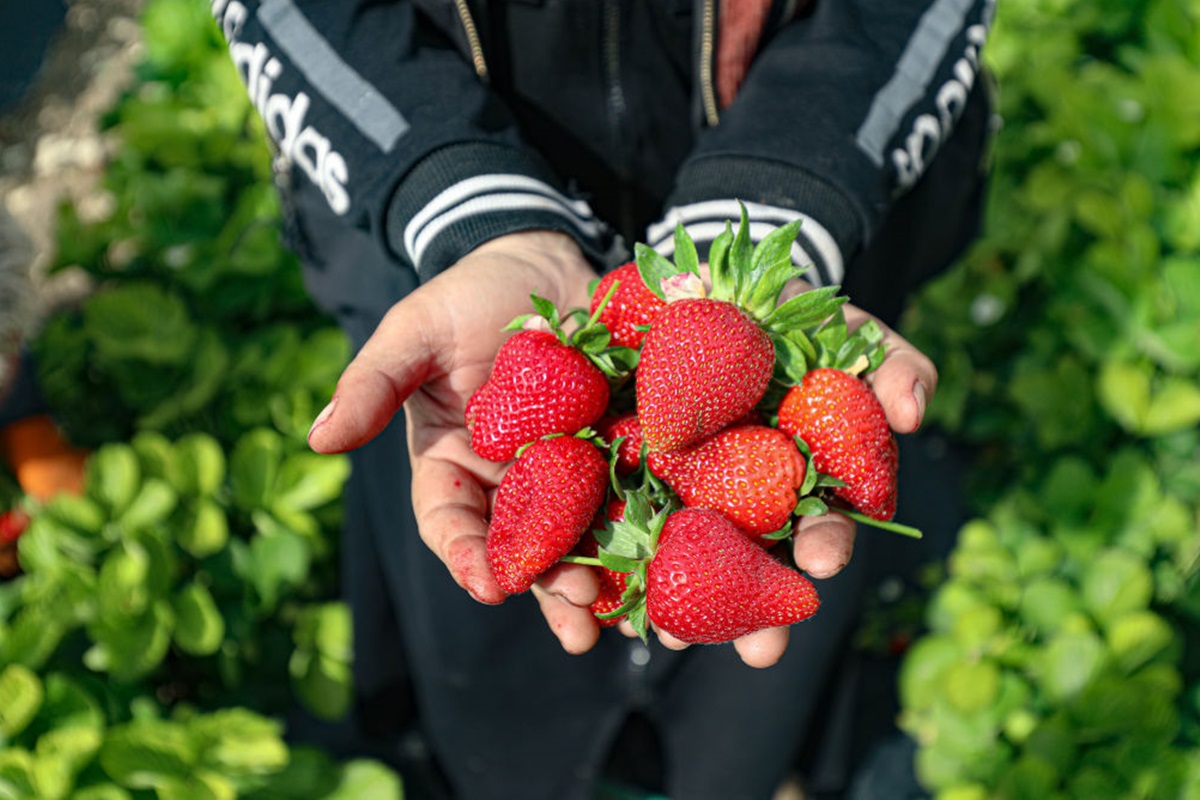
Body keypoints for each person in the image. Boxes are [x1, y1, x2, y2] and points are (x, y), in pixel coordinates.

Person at [212, 1, 995, 797]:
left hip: (815, 175)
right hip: (430, 203)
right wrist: (459, 195)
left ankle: (745, 766)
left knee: (767, 657)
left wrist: (775, 203)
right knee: (475, 612)